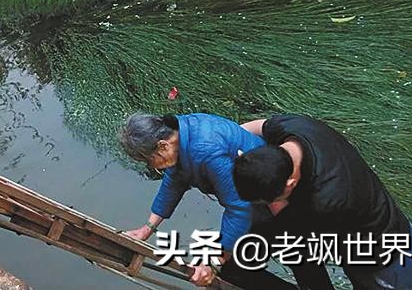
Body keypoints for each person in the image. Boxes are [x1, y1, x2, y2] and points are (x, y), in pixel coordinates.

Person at [234, 114, 412, 290]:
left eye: (271, 200)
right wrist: (231, 140)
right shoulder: (294, 127)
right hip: (375, 231)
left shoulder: (326, 201)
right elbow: (257, 127)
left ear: (290, 184)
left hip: (388, 262)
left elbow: (303, 252)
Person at [119, 113, 290, 289]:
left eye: (149, 160)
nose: (151, 166)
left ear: (162, 146)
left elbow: (239, 207)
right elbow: (174, 181)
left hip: (270, 197)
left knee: (233, 266)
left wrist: (215, 263)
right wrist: (147, 229)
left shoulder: (206, 151)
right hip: (254, 197)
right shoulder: (179, 133)